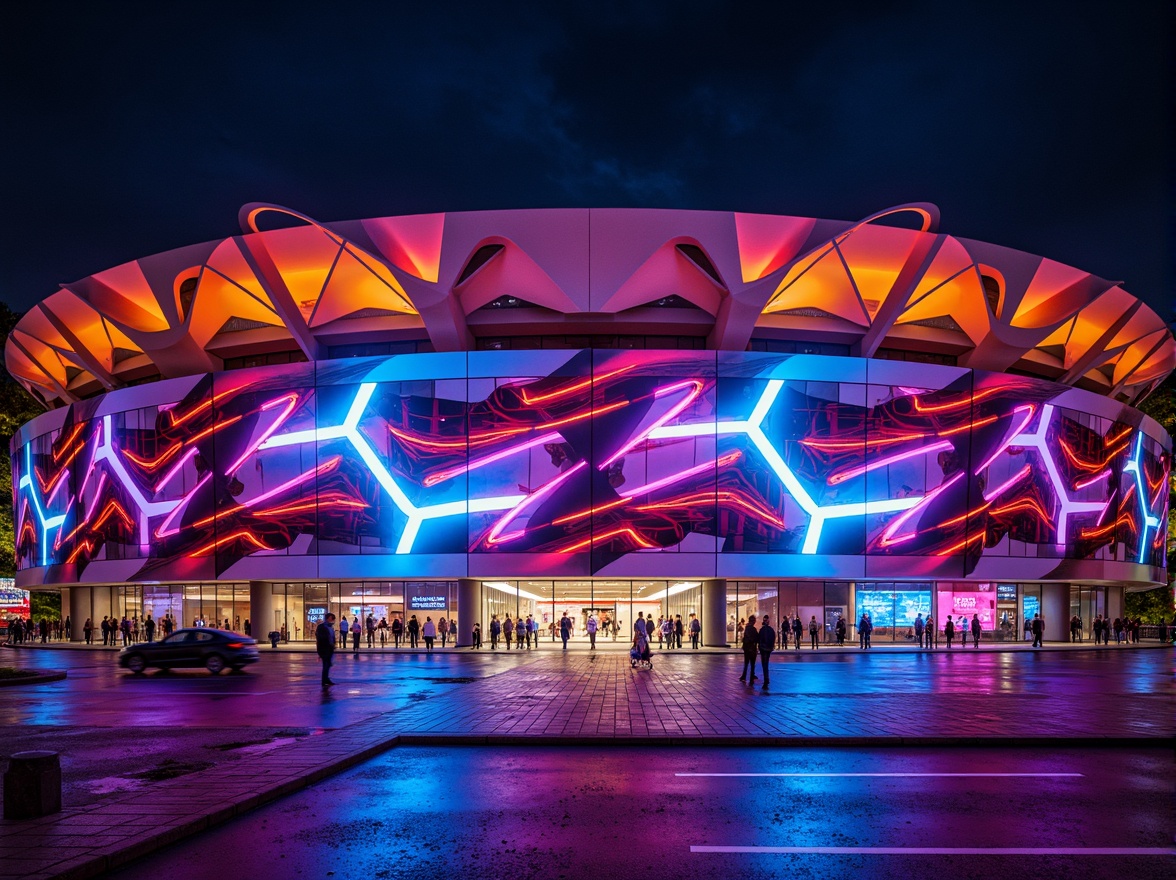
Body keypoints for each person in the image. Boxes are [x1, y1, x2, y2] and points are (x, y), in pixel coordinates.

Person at [315, 613, 337, 687]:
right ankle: (324, 680)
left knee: (328, 664)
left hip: (330, 648)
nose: (333, 620)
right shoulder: (322, 627)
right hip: (324, 648)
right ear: (328, 618)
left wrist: (333, 644)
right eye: (332, 618)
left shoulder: (330, 627)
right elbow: (321, 638)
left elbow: (332, 637)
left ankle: (326, 678)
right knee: (326, 664)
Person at [739, 615, 759, 682]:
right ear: (753, 621)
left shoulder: (747, 628)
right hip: (752, 648)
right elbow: (756, 638)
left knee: (746, 662)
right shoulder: (753, 629)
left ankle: (744, 676)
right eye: (754, 620)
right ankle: (751, 676)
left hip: (747, 648)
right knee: (752, 663)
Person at [758, 614, 776, 688]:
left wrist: (760, 646)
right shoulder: (771, 630)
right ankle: (766, 678)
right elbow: (773, 638)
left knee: (764, 664)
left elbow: (759, 639)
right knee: (766, 663)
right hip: (768, 649)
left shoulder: (762, 630)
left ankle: (766, 679)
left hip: (763, 649)